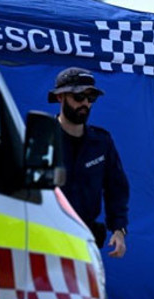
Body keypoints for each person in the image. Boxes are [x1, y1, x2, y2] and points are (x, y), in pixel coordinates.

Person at [49, 67, 129, 256]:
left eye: (90, 98)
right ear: (60, 97)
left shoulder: (101, 142)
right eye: (78, 97)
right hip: (47, 237)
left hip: (85, 239)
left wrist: (119, 230)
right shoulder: (42, 138)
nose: (85, 103)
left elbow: (116, 189)